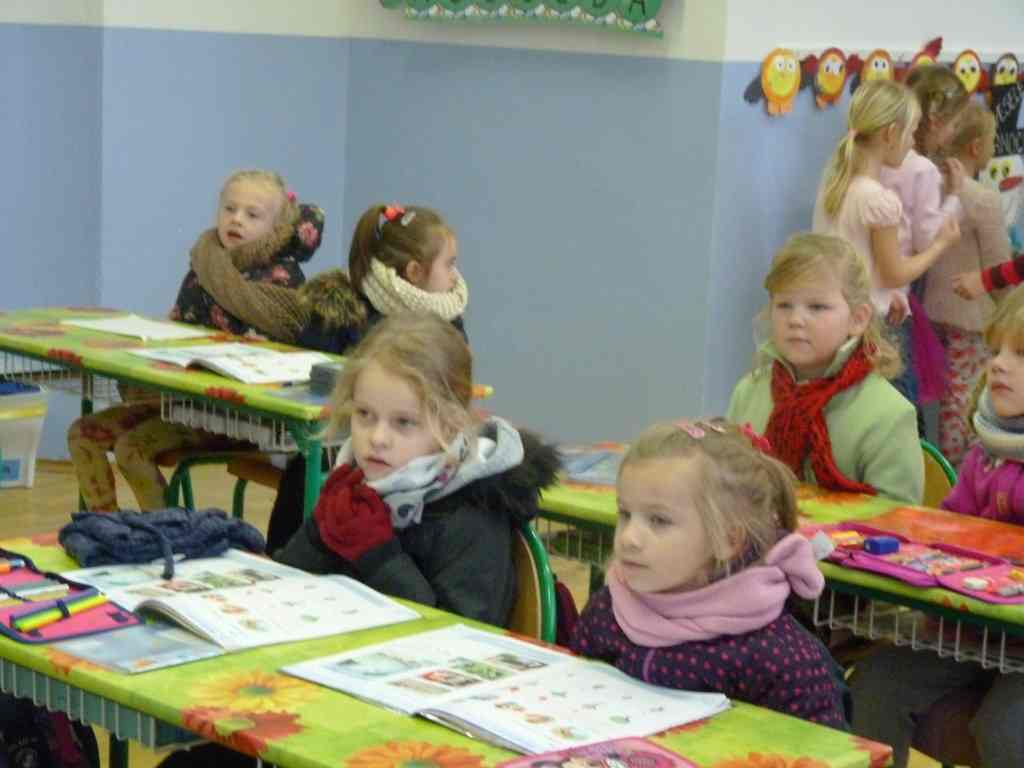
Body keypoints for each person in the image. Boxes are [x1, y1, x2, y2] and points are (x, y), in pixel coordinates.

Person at [187, 202, 470, 552]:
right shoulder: (340, 309)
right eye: (450, 264)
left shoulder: (447, 320)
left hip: (409, 462)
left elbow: (455, 385)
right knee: (310, 471)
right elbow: (311, 374)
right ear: (414, 271)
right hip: (330, 445)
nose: (455, 276)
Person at [274, 312, 559, 624]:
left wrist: (379, 556)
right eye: (364, 414)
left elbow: (455, 635)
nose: (377, 438)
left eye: (403, 422)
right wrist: (321, 531)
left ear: (450, 426)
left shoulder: (473, 519)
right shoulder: (358, 487)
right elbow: (286, 587)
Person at [66, 169, 322, 511]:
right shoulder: (206, 263)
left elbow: (280, 354)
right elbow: (179, 329)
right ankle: (105, 528)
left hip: (238, 418)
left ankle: (167, 534)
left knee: (131, 450)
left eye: (252, 214)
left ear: (277, 227)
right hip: (180, 401)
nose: (236, 219)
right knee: (82, 434)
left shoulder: (284, 278)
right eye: (229, 209)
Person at [569, 419, 847, 728]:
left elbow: (825, 748)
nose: (628, 538)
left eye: (659, 520)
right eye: (625, 514)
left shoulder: (779, 655)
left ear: (727, 540)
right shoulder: (607, 610)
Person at [850, 287, 1024, 768]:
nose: (999, 365)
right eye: (996, 350)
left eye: (1021, 354)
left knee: (1005, 729)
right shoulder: (987, 451)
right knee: (875, 685)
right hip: (972, 633)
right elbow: (945, 527)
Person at [727, 232, 923, 503]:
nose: (796, 319)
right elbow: (725, 488)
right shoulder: (748, 392)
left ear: (857, 319)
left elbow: (898, 518)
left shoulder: (889, 414)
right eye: (784, 305)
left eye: (817, 307)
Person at [812, 79, 961, 414]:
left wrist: (881, 293)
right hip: (874, 329)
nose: (912, 142)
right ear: (891, 134)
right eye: (911, 132)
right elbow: (894, 273)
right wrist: (940, 244)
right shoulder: (878, 200)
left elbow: (855, 261)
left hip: (839, 319)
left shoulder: (834, 187)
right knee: (896, 414)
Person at [921, 102, 1011, 466]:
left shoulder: (932, 187)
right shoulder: (983, 200)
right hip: (972, 318)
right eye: (991, 141)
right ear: (976, 147)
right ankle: (963, 472)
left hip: (935, 309)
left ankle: (947, 468)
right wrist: (1010, 308)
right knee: (965, 399)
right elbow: (999, 268)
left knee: (949, 397)